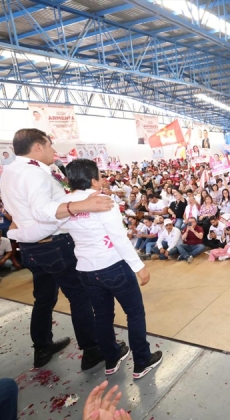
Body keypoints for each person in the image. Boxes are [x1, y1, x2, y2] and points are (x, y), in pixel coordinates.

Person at [0, 128, 111, 370]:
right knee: (79, 296)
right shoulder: (34, 174)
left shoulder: (9, 171)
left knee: (44, 298)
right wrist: (82, 204)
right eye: (50, 146)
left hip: (31, 247)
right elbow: (43, 211)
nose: (53, 151)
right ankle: (92, 350)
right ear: (38, 147)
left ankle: (42, 348)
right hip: (54, 245)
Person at [61, 159, 162, 379]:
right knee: (134, 313)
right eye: (99, 175)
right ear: (93, 180)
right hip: (113, 265)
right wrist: (139, 266)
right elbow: (118, 237)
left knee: (102, 316)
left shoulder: (64, 203)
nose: (103, 179)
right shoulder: (102, 201)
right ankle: (142, 361)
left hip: (86, 269)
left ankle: (111, 358)